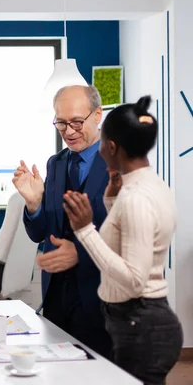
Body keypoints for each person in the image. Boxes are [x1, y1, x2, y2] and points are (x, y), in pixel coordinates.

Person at [64, 95, 183, 384]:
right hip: (141, 323)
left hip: (141, 326)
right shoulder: (149, 185)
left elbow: (133, 279)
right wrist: (111, 199)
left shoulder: (135, 198)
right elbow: (130, 236)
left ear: (112, 147)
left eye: (103, 141)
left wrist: (84, 230)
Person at [12, 85, 112, 358]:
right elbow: (41, 232)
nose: (69, 131)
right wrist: (33, 204)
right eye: (61, 123)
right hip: (57, 299)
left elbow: (129, 237)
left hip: (101, 300)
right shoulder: (55, 164)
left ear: (97, 115)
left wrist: (79, 253)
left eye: (77, 122)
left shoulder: (121, 164)